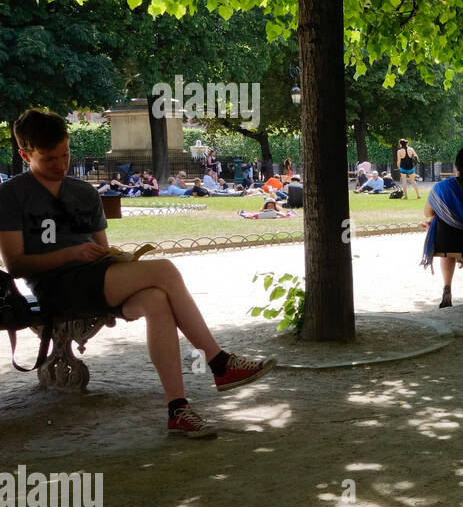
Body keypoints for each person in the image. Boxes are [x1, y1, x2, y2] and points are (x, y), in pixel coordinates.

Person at [0, 110, 275, 437]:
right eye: (49, 159)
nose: (61, 164)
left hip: (98, 280)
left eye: (65, 154)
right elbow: (15, 264)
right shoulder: (11, 195)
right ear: (24, 154)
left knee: (156, 299)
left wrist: (120, 258)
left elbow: (103, 249)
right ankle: (219, 363)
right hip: (56, 287)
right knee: (166, 269)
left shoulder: (84, 192)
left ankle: (178, 409)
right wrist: (71, 253)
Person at [421, 146, 463, 309]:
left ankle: (447, 287)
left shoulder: (441, 188)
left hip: (446, 242)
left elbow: (427, 213)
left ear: (456, 166)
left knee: (444, 225)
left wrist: (445, 214)